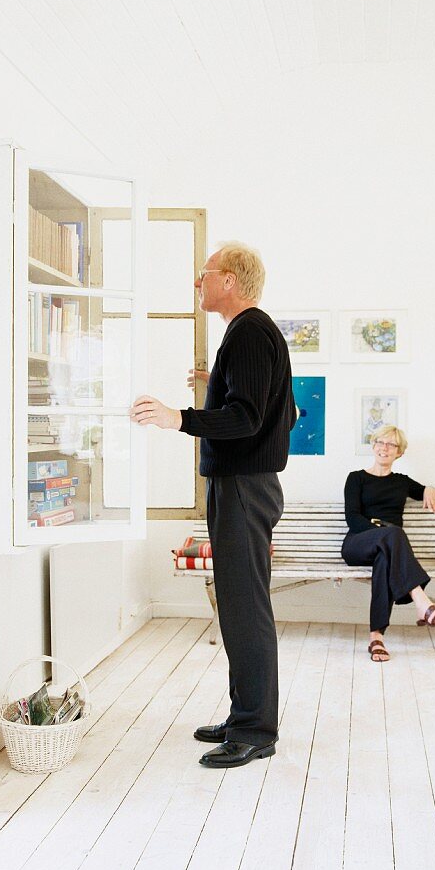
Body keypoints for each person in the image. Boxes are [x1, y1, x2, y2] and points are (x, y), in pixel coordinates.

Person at [130, 242, 294, 768]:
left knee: (245, 609)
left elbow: (247, 418)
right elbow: (280, 412)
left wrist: (180, 417)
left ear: (230, 280)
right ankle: (245, 713)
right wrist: (214, 391)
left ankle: (255, 730)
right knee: (240, 606)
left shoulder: (248, 331)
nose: (197, 283)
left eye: (204, 274)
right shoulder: (251, 333)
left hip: (245, 486)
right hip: (246, 483)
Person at [341, 425, 435, 662]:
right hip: (358, 543)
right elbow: (353, 518)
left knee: (385, 558)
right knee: (393, 534)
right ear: (373, 445)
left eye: (392, 444)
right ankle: (421, 601)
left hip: (387, 548)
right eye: (381, 442)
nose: (385, 448)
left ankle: (376, 637)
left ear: (399, 453)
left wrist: (432, 489)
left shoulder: (401, 482)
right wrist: (381, 532)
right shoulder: (356, 478)